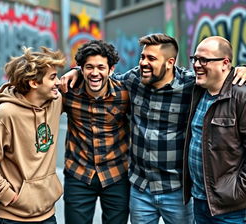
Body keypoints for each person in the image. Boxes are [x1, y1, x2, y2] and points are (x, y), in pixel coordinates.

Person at [60, 33, 246, 224]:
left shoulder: (191, 86)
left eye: (151, 58)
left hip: (176, 191)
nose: (143, 63)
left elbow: (219, 79)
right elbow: (102, 77)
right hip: (141, 188)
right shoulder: (133, 80)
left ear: (170, 62)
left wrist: (241, 70)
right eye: (142, 57)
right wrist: (76, 70)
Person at [0, 47, 66, 224]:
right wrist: (6, 195)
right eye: (53, 77)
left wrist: (77, 72)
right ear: (34, 83)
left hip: (48, 215)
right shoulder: (5, 114)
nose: (59, 82)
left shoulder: (56, 102)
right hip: (10, 218)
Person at [62, 40, 130, 224]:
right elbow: (34, 94)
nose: (95, 73)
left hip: (116, 175)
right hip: (78, 174)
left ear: (111, 70)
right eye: (89, 67)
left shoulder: (124, 94)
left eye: (101, 67)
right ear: (81, 69)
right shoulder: (68, 92)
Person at [183, 36, 246, 223]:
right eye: (195, 59)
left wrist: (237, 191)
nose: (196, 65)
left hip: (231, 209)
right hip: (200, 201)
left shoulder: (241, 96)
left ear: (225, 63)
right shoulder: (196, 90)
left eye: (204, 60)